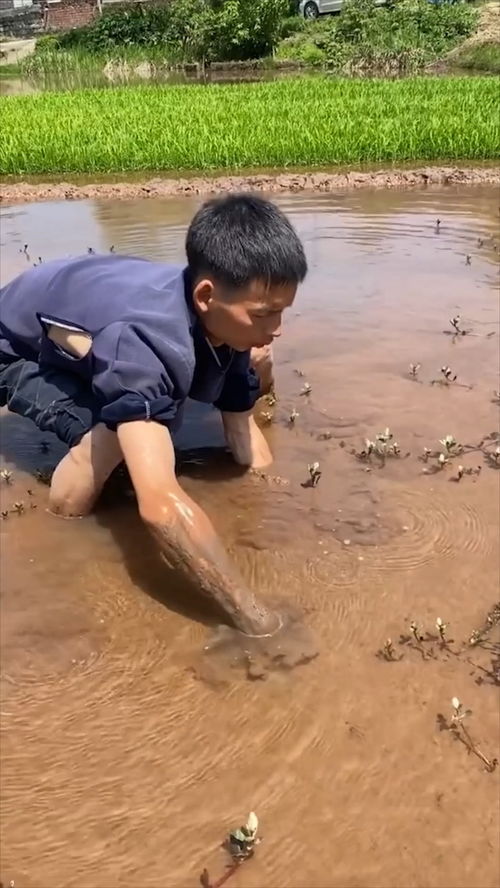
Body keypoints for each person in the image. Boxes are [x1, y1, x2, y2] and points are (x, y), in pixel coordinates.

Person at [0, 194, 307, 640]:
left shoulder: (227, 317)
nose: (277, 326)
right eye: (265, 313)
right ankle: (97, 426)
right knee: (112, 443)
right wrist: (256, 620)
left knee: (258, 360)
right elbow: (161, 506)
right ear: (205, 296)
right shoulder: (145, 344)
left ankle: (110, 385)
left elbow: (241, 430)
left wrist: (272, 504)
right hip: (12, 346)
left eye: (283, 310)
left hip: (89, 316)